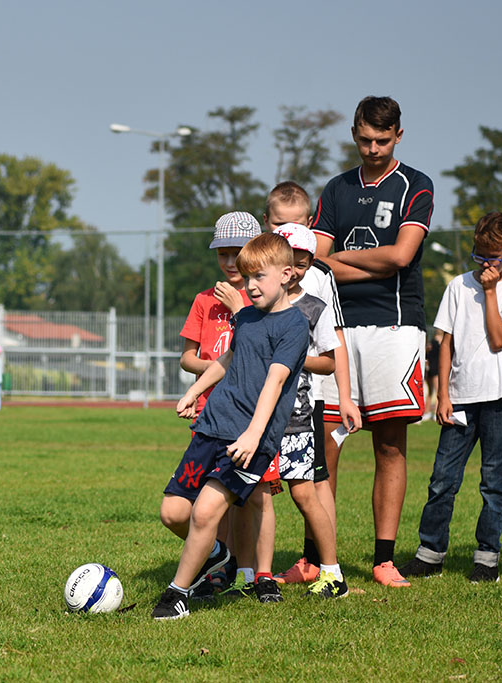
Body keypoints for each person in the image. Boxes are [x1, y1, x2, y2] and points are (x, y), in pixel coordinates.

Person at [311, 95, 434, 587]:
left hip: (394, 326)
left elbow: (402, 257)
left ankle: (384, 559)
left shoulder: (416, 184)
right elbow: (314, 259)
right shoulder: (336, 188)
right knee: (325, 444)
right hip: (335, 325)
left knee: (389, 446)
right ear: (354, 133)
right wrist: (359, 262)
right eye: (365, 139)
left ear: (398, 135)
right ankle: (319, 560)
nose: (373, 148)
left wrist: (340, 263)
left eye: (383, 140)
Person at [152, 232, 309, 620]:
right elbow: (227, 359)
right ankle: (216, 553)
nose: (251, 286)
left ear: (287, 274)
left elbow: (274, 383)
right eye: (247, 277)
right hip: (213, 424)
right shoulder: (248, 318)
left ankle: (177, 595)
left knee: (206, 512)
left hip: (249, 438)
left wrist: (255, 435)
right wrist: (196, 390)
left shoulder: (294, 326)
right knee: (173, 512)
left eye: (260, 277)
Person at [399, 211, 502, 583]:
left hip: (500, 399)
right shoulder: (458, 286)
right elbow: (446, 341)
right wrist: (442, 394)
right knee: (442, 479)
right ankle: (430, 554)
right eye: (479, 256)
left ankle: (486, 559)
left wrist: (489, 291)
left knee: (493, 482)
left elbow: (499, 339)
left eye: (493, 257)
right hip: (459, 398)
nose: (485, 263)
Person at [261, 181, 361, 586]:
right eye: (279, 225)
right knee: (256, 490)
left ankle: (325, 565)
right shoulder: (258, 272)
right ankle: (250, 569)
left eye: (296, 226)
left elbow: (334, 341)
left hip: (307, 401)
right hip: (261, 402)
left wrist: (345, 396)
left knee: (314, 484)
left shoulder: (318, 278)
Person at [177, 210, 259, 597]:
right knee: (211, 495)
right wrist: (211, 374)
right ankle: (219, 567)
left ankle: (255, 572)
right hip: (210, 412)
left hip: (249, 416)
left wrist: (241, 307)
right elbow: (187, 357)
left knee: (253, 497)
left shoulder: (261, 300)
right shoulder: (203, 301)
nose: (229, 262)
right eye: (222, 254)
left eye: (237, 253)